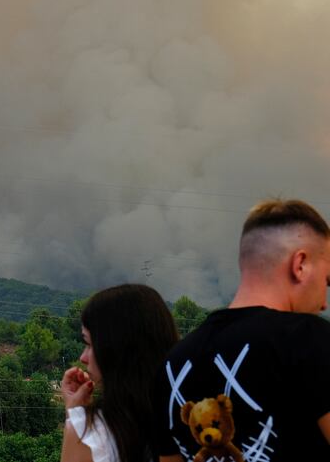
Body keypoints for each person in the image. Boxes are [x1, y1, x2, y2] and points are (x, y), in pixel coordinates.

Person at [153, 198, 330, 461]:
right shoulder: (309, 339)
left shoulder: (170, 366)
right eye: (327, 280)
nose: (324, 302)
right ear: (300, 264)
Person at [61, 284, 179, 462]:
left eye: (89, 344)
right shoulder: (193, 416)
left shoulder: (92, 434)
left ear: (115, 351)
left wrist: (76, 420)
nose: (83, 357)